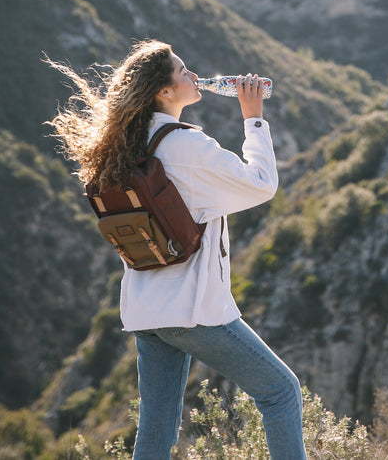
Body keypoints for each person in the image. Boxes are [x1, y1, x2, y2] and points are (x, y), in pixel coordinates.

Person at [47, 40, 306, 459]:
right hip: (192, 309)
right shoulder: (184, 144)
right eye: (183, 71)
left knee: (156, 425)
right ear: (164, 92)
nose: (192, 75)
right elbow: (261, 184)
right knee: (280, 391)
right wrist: (253, 119)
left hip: (146, 308)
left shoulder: (126, 144)